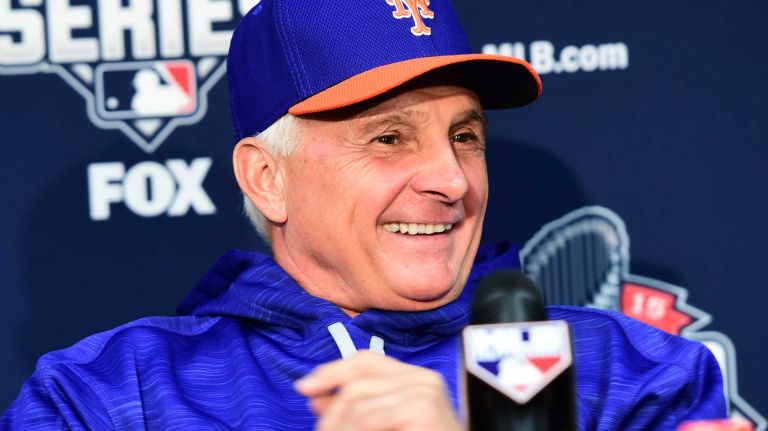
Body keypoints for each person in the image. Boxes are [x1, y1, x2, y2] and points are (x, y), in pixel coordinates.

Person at [2, 0, 726, 429]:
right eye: (388, 137)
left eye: (465, 136)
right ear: (266, 177)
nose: (451, 178)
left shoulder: (636, 377)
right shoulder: (113, 396)